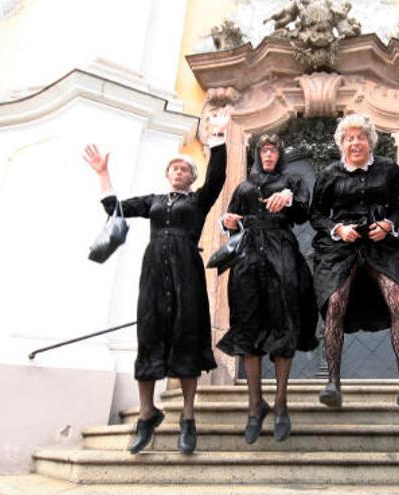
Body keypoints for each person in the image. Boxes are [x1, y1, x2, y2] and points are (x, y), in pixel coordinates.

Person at [82, 115, 228, 454]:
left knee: (187, 336)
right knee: (149, 336)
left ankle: (188, 418)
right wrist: (103, 173)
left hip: (187, 272)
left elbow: (218, 177)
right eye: (174, 168)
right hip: (153, 273)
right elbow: (114, 208)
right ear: (168, 175)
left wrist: (218, 136)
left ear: (192, 177)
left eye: (184, 170)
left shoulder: (197, 202)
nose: (179, 172)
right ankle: (147, 414)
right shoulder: (153, 201)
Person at [310, 113, 399, 409]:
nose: (355, 142)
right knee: (334, 302)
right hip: (341, 248)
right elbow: (316, 214)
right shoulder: (329, 174)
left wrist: (388, 224)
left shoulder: (388, 169)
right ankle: (332, 383)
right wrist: (339, 229)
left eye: (360, 137)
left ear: (369, 141)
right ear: (341, 144)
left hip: (380, 244)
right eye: (349, 138)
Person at [218, 134, 318, 444]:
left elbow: (305, 212)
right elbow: (230, 218)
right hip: (248, 258)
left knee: (283, 323)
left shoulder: (293, 180)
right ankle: (254, 406)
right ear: (257, 154)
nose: (269, 154)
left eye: (274, 149)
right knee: (248, 327)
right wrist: (228, 221)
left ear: (280, 154)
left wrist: (289, 198)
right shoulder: (244, 186)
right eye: (264, 149)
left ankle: (281, 404)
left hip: (282, 254)